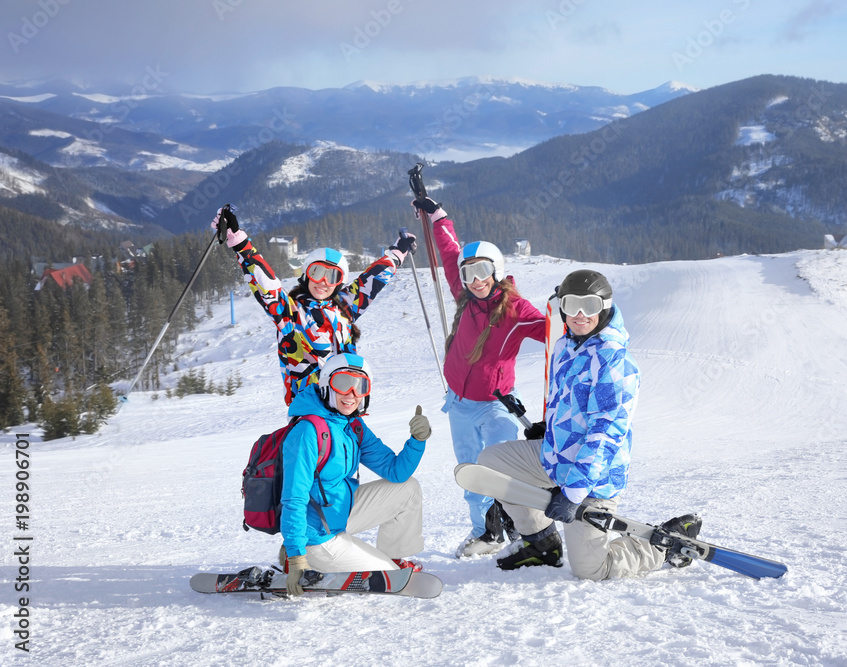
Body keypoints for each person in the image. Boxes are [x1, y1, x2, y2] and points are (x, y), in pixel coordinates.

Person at [477, 269, 701, 580]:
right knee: (490, 464)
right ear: (562, 307)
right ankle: (541, 542)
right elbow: (569, 401)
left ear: (605, 307)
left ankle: (663, 547)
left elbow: (605, 434)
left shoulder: (615, 362)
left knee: (591, 569)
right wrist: (551, 427)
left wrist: (573, 493)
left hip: (594, 476)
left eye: (590, 306)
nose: (580, 315)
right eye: (572, 305)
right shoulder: (566, 345)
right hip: (555, 456)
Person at [411, 197, 546, 558]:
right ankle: (486, 533)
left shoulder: (515, 309)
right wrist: (436, 214)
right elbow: (447, 249)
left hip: (496, 405)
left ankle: (523, 530)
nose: (475, 280)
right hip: (458, 404)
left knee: (504, 471)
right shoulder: (464, 295)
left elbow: (548, 329)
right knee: (470, 473)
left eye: (482, 271)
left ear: (497, 271)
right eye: (469, 273)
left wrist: (568, 316)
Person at [213, 207, 415, 405]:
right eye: (317, 272)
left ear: (339, 283)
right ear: (305, 274)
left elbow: (372, 280)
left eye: (332, 276)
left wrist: (397, 253)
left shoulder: (344, 308)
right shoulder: (290, 313)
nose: (323, 282)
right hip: (310, 407)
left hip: (346, 402)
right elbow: (267, 286)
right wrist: (240, 243)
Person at [279, 353, 430, 595]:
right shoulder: (308, 431)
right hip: (316, 534)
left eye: (360, 386)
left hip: (339, 513)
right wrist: (298, 557)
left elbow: (396, 471)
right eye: (342, 383)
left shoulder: (353, 426)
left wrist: (417, 441)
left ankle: (394, 557)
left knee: (408, 489)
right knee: (389, 578)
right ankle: (297, 555)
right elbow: (293, 499)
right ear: (327, 384)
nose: (351, 394)